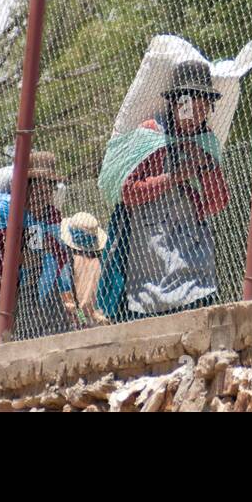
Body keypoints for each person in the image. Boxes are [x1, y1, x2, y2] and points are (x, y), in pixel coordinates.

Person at [96, 60, 229, 320]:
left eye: (204, 109)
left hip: (190, 241)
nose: (197, 116)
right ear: (176, 104)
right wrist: (174, 177)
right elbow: (129, 193)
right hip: (146, 239)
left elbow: (217, 202)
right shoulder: (150, 135)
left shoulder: (205, 142)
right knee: (147, 303)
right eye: (191, 107)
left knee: (197, 297)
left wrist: (204, 167)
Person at [0, 154, 72, 347]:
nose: (42, 198)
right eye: (38, 191)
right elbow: (10, 254)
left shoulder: (37, 219)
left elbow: (34, 256)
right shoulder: (4, 210)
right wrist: (35, 250)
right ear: (25, 188)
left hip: (14, 291)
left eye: (47, 192)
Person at [58, 212, 109, 328]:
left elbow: (66, 292)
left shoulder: (69, 261)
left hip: (77, 312)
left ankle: (82, 323)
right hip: (96, 312)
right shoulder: (99, 262)